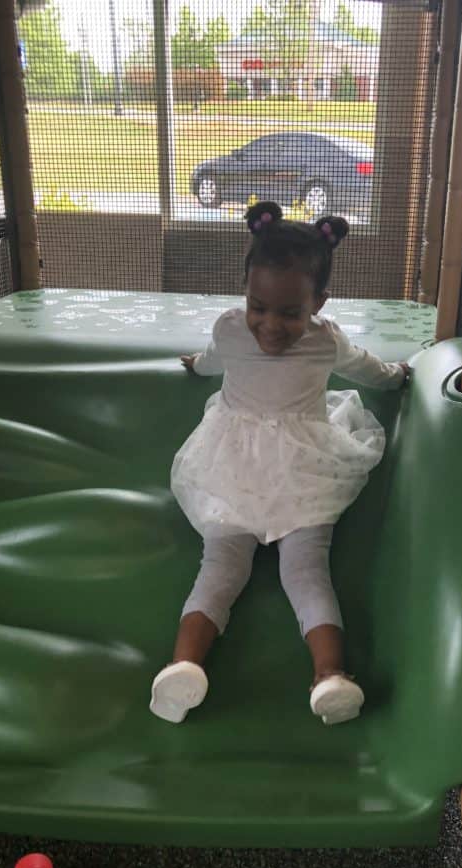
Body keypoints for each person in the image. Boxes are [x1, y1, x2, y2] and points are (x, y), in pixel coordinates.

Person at [150, 201, 411, 726]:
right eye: (257, 306)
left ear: (319, 301)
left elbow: (372, 371)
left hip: (266, 466)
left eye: (290, 313)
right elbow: (209, 359)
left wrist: (402, 374)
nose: (269, 324)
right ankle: (183, 668)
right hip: (284, 468)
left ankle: (330, 678)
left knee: (304, 568)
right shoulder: (240, 329)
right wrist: (195, 365)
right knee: (224, 563)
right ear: (245, 294)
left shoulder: (324, 340)